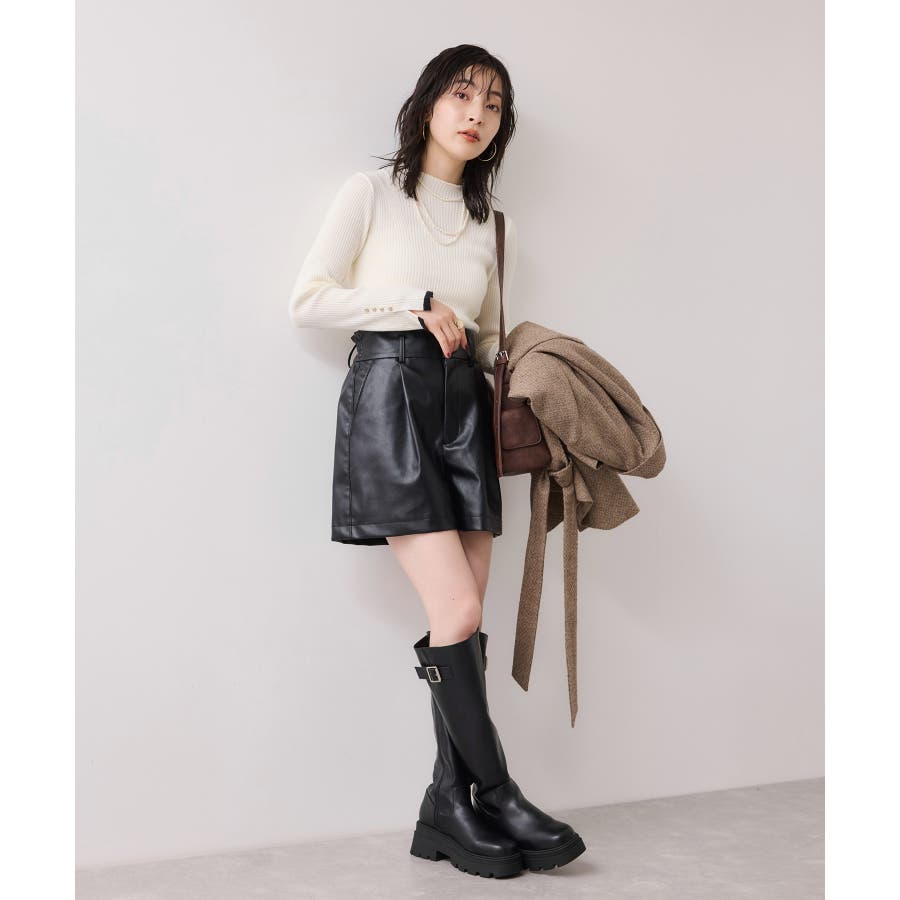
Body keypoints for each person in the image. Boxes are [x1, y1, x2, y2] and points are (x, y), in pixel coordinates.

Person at [288, 44, 585, 878]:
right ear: (427, 105)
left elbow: (481, 335)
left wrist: (530, 374)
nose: (476, 114)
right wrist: (414, 303)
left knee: (465, 620)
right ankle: (499, 794)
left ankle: (448, 807)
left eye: (493, 104)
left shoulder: (494, 225)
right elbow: (308, 300)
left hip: (466, 410)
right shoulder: (372, 194)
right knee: (456, 608)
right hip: (392, 397)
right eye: (462, 95)